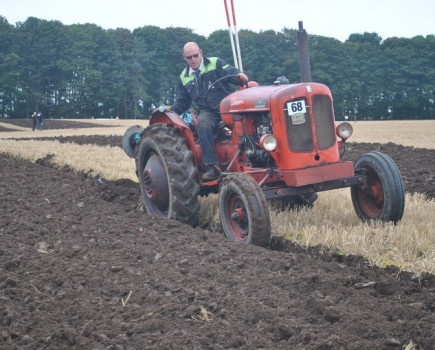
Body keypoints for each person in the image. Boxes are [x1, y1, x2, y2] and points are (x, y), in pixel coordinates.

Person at [168, 42, 248, 181]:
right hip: (208, 112)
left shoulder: (215, 63)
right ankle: (212, 167)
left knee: (248, 119)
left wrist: (239, 75)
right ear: (184, 58)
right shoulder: (184, 77)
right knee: (203, 123)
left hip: (226, 105)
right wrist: (170, 112)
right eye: (189, 57)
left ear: (201, 52)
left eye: (195, 55)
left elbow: (230, 72)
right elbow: (183, 101)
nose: (193, 60)